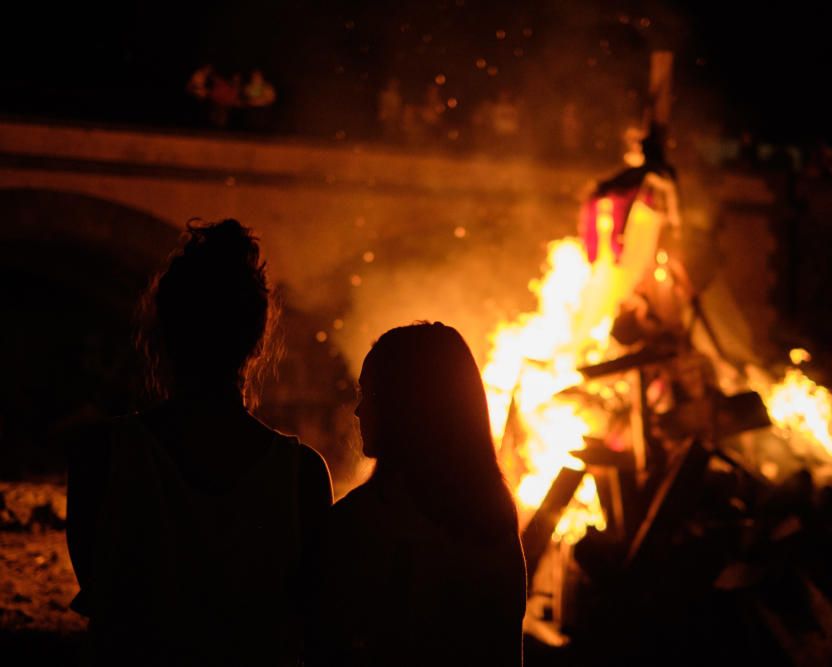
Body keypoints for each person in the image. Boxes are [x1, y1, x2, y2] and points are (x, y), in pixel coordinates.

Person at [66, 219, 333, 665]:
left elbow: (102, 592)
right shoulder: (301, 475)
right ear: (257, 343)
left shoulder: (104, 455)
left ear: (161, 336)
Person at [305, 322, 526, 666]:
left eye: (371, 394)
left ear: (409, 405)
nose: (358, 410)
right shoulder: (494, 520)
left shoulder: (358, 526)